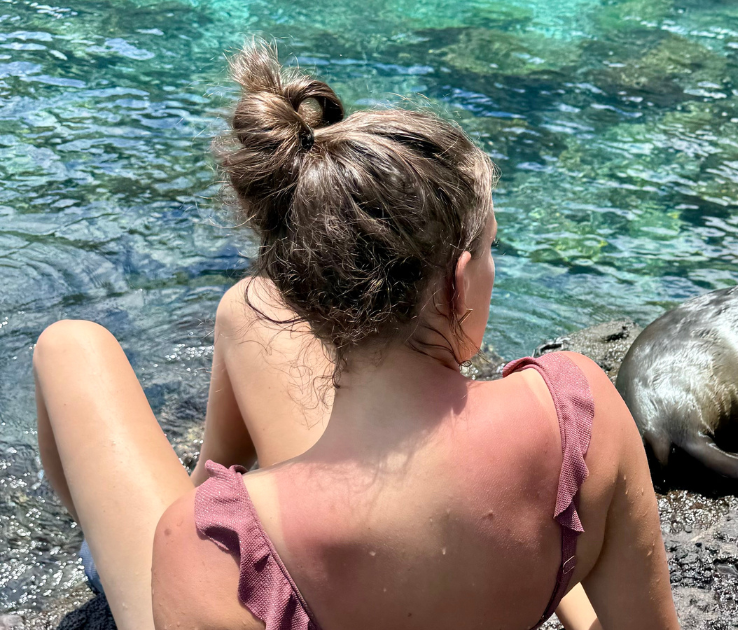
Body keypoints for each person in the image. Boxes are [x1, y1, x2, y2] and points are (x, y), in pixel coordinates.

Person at [33, 39, 679, 630]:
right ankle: (214, 482)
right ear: (457, 284)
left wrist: (205, 527)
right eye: (489, 251)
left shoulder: (198, 554)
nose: (492, 271)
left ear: (317, 299)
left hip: (236, 579)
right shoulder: (581, 416)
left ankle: (213, 495)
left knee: (68, 346)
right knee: (248, 304)